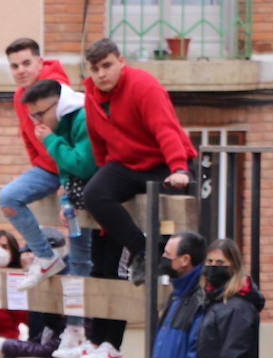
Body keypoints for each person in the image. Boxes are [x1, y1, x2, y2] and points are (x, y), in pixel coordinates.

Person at [80, 37, 196, 286]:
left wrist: (179, 168)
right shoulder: (91, 96)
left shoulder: (144, 85)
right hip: (125, 163)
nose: (101, 74)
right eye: (95, 68)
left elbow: (166, 130)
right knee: (93, 194)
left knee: (172, 211)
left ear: (121, 62)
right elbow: (98, 142)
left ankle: (170, 261)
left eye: (107, 65)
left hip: (163, 162)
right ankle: (144, 250)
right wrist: (104, 177)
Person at [18, 76, 109, 358]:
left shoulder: (80, 117)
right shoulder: (60, 123)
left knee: (88, 268)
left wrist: (51, 140)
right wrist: (65, 197)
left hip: (101, 202)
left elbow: (82, 164)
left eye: (41, 114)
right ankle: (74, 329)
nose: (37, 122)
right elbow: (66, 171)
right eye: (32, 116)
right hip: (77, 200)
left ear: (57, 104)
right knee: (79, 266)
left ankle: (82, 332)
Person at [0, 38, 71, 290]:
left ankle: (77, 326)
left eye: (27, 63)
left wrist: (68, 181)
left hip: (74, 169)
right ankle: (46, 257)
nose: (21, 70)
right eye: (15, 66)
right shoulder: (20, 96)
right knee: (8, 197)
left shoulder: (57, 89)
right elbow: (28, 136)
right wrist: (37, 164)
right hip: (46, 168)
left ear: (40, 62)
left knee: (80, 243)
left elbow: (73, 138)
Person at [140, 231, 205, 358]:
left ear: (185, 260)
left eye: (168, 255)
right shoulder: (177, 296)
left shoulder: (198, 301)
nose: (163, 259)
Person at [194, 238, 261, 358]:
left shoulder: (238, 307)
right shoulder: (213, 303)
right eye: (210, 262)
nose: (213, 267)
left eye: (220, 262)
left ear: (233, 267)